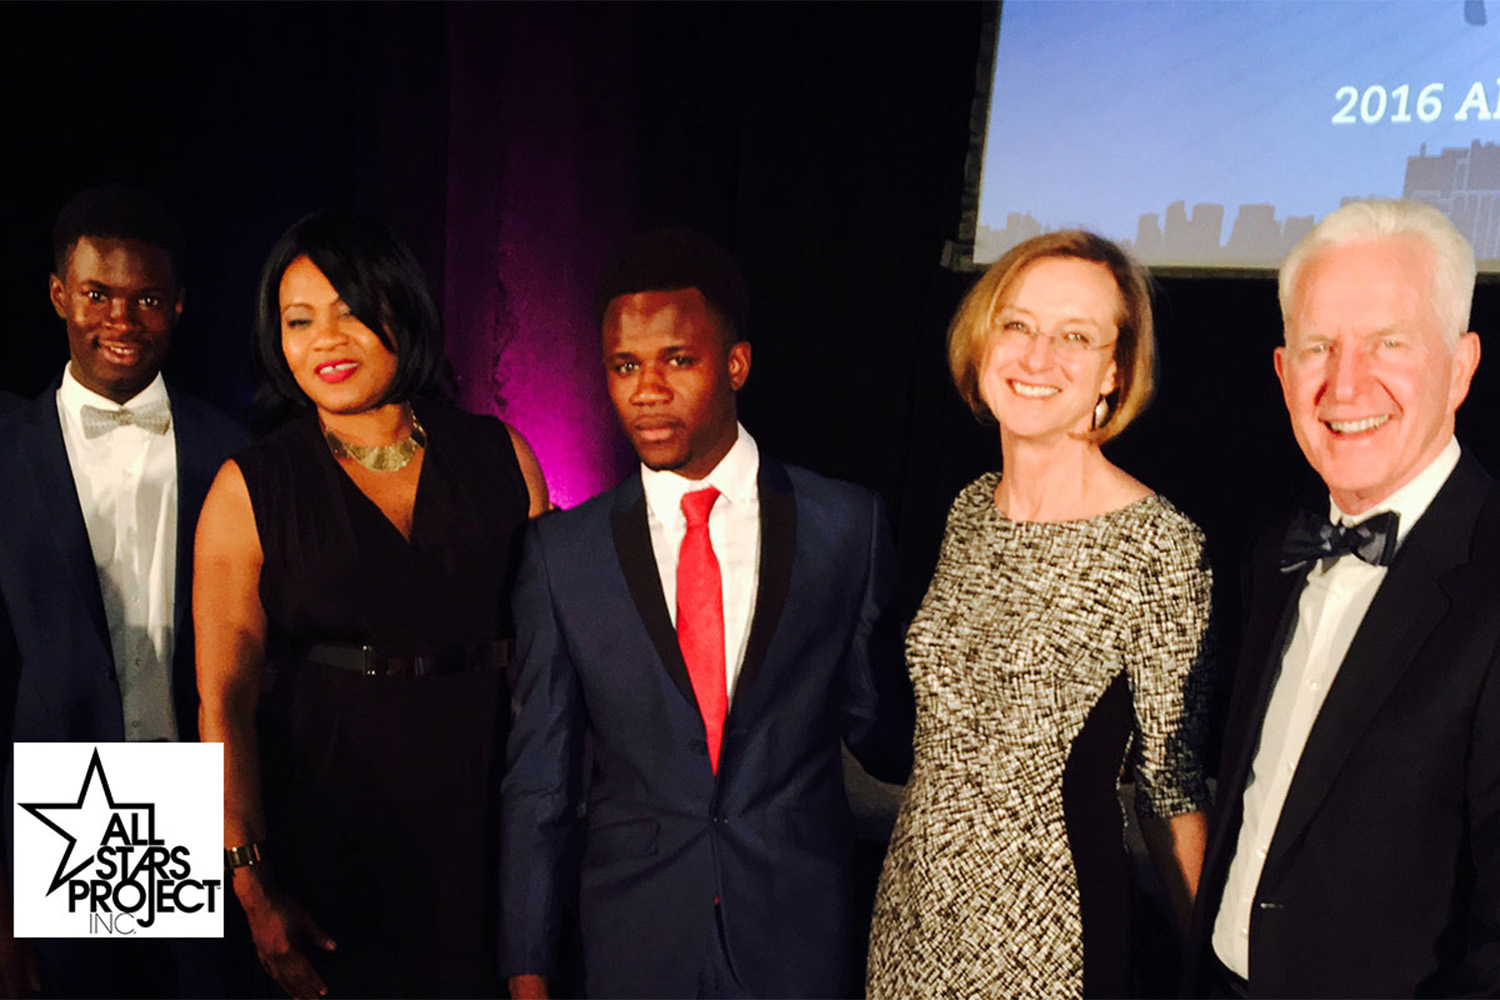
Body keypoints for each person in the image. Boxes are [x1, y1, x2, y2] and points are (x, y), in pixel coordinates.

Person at [500, 230, 913, 999]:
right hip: (634, 936)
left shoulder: (843, 526)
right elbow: (540, 782)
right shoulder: (565, 554)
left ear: (735, 365)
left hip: (796, 929)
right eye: (625, 366)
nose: (646, 390)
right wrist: (528, 968)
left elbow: (880, 723)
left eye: (676, 361)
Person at [194, 211, 548, 999]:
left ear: (404, 310)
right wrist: (249, 882)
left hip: (484, 818)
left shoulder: (502, 455)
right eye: (299, 320)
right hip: (329, 831)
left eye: (352, 311)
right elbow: (224, 697)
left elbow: (556, 661)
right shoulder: (248, 487)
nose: (326, 339)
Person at [866, 231, 1214, 998]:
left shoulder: (1158, 544)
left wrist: (1211, 977)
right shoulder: (969, 513)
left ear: (1113, 371)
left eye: (1075, 337)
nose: (1036, 356)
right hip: (911, 923)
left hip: (1049, 942)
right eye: (1018, 325)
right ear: (982, 339)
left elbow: (1171, 789)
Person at [1188, 199, 1500, 997]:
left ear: (1462, 366)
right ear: (1284, 371)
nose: (1345, 382)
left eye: (1388, 344)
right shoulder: (1274, 547)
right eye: (1319, 346)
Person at [0, 185, 250, 997]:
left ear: (177, 306)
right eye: (98, 294)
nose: (120, 318)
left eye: (145, 298)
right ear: (58, 296)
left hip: (201, 791)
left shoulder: (235, 450)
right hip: (55, 797)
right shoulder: (4, 452)